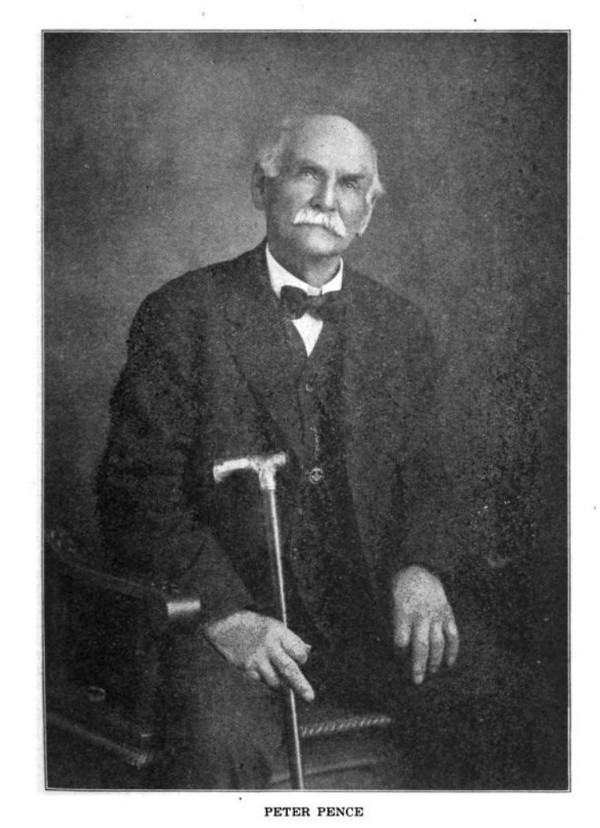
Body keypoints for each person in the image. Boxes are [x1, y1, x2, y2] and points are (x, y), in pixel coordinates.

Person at [97, 114, 519, 789]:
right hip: (232, 623)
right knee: (219, 744)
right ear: (261, 187)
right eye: (307, 174)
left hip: (369, 620)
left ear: (367, 211)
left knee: (499, 702)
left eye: (349, 184)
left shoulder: (402, 326)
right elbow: (137, 493)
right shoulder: (181, 315)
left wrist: (420, 566)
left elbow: (434, 477)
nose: (327, 198)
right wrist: (226, 615)